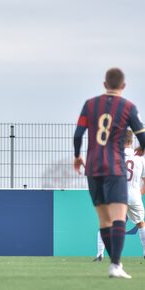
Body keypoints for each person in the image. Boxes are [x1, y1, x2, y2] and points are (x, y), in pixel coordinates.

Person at [73, 67, 145, 279]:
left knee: (104, 219)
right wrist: (142, 148)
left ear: (105, 85)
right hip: (114, 168)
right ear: (123, 86)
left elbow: (78, 134)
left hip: (93, 168)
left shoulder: (90, 105)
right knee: (119, 217)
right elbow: (142, 136)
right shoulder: (128, 107)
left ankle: (110, 259)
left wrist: (77, 156)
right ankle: (115, 264)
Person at [94, 131, 145, 261]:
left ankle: (100, 253)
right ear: (131, 141)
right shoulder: (140, 159)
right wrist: (138, 194)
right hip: (134, 194)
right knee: (140, 224)